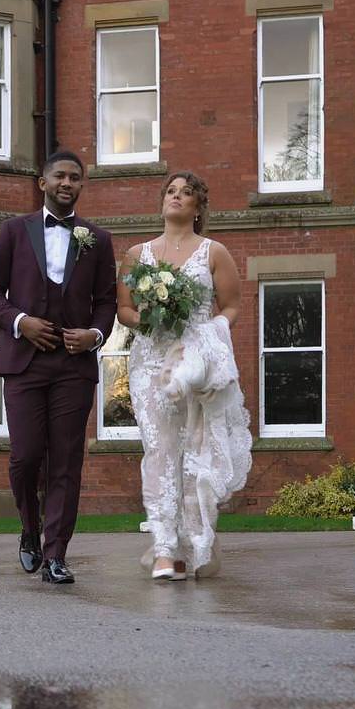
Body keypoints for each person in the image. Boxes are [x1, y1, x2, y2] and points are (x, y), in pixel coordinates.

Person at [0, 150, 120, 586]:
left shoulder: (97, 239)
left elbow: (107, 302)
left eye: (75, 177)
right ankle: (29, 527)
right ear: (43, 183)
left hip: (73, 367)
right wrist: (21, 322)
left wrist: (94, 335)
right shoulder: (13, 231)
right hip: (24, 364)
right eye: (60, 175)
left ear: (81, 185)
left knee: (66, 460)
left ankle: (56, 554)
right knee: (24, 457)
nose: (67, 183)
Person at [115, 172, 254, 581]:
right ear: (163, 201)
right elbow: (123, 309)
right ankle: (164, 550)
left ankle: (197, 542)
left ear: (198, 207)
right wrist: (147, 318)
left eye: (186, 193)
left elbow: (231, 305)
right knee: (159, 451)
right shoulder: (137, 254)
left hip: (196, 363)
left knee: (194, 453)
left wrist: (212, 334)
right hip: (149, 364)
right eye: (171, 192)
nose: (176, 197)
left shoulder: (214, 252)